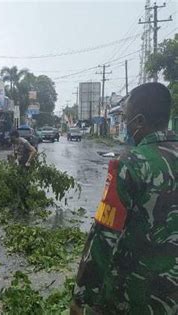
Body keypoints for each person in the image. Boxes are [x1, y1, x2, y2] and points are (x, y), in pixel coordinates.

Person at [71, 83, 178, 314]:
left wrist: (81, 296)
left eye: (127, 118)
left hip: (135, 294)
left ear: (139, 121)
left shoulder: (130, 164)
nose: (126, 126)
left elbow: (104, 236)